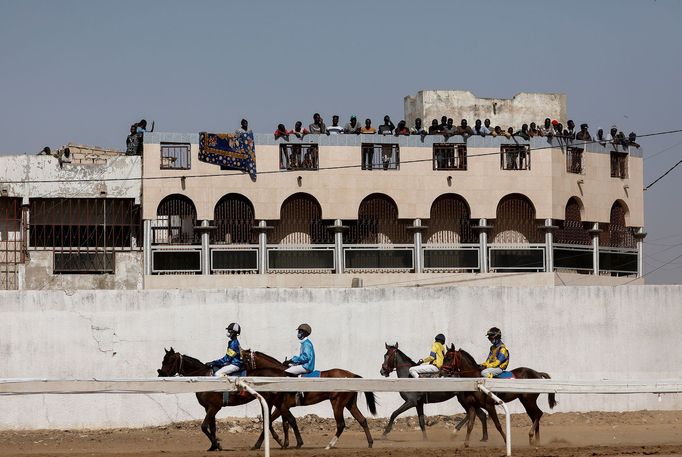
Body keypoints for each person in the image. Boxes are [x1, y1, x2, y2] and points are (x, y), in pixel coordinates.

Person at [285, 323, 315, 404]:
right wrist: (292, 362)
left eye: (300, 331)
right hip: (305, 364)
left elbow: (306, 357)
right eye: (299, 331)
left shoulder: (306, 344)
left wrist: (292, 360)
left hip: (307, 366)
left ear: (305, 333)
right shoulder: (304, 343)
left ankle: (298, 392)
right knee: (290, 367)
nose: (298, 333)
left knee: (287, 371)